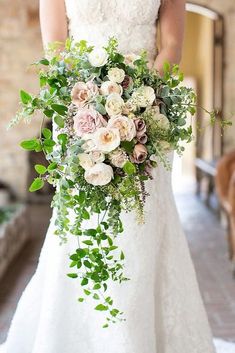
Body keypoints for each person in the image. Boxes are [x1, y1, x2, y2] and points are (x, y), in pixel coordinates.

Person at [1, 0, 233, 352]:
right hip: (81, 116)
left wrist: (136, 102)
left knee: (142, 228)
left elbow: (171, 46)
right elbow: (56, 49)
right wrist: (90, 104)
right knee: (83, 227)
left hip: (145, 121)